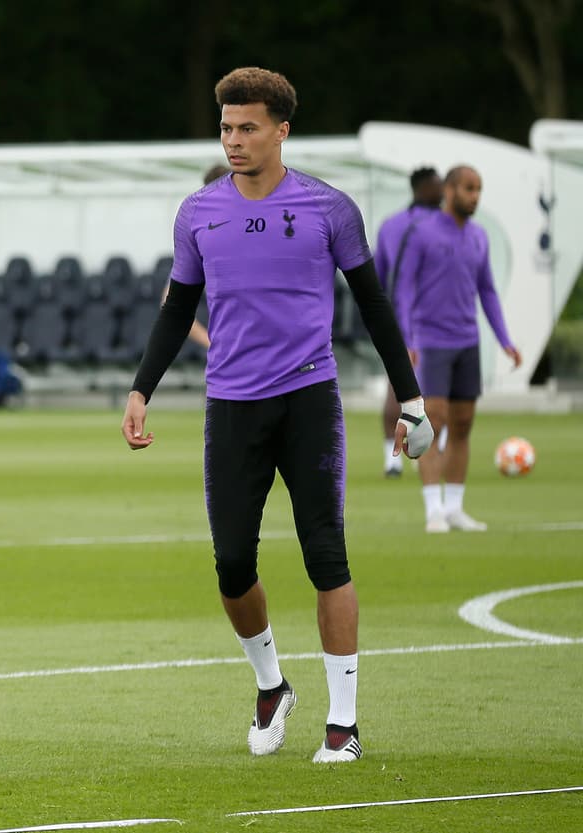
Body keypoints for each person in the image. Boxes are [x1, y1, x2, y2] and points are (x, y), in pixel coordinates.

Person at [121, 67, 433, 764]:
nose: (234, 140)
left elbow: (375, 306)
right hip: (231, 404)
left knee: (327, 556)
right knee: (232, 564)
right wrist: (142, 388)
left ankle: (344, 723)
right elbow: (178, 308)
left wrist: (410, 399)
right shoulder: (198, 211)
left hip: (308, 399)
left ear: (281, 130)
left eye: (248, 127)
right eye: (226, 127)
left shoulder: (329, 209)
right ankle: (271, 685)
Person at [394, 165, 521, 533]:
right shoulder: (422, 233)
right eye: (468, 188)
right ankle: (433, 510)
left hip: (468, 343)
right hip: (431, 343)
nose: (475, 196)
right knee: (432, 423)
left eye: (479, 189)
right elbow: (403, 290)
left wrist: (505, 341)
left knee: (463, 425)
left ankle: (454, 508)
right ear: (449, 190)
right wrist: (408, 338)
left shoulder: (479, 237)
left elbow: (488, 292)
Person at [373, 167, 443, 477]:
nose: (441, 192)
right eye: (437, 186)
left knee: (399, 385)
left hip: (400, 317)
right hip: (426, 321)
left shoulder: (390, 225)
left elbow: (377, 276)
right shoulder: (438, 226)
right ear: (422, 188)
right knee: (421, 388)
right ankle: (415, 453)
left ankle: (394, 459)